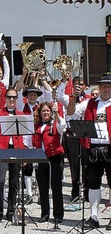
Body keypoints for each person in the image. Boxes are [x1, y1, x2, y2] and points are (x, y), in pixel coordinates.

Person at [66, 74, 111, 229]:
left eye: (108, 85)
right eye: (103, 85)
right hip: (93, 147)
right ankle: (94, 217)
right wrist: (74, 96)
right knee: (93, 183)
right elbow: (71, 113)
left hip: (110, 147)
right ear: (98, 87)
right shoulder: (89, 103)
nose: (106, 88)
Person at [0, 87, 31, 223]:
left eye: (14, 97)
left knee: (14, 183)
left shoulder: (21, 114)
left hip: (16, 149)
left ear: (17, 99)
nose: (11, 99)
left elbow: (26, 136)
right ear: (5, 98)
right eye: (9, 97)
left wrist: (25, 153)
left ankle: (11, 211)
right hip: (2, 149)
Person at [31, 102, 66, 224]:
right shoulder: (36, 126)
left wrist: (57, 114)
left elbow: (63, 125)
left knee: (56, 187)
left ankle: (58, 215)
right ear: (40, 113)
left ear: (51, 113)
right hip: (40, 158)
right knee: (43, 187)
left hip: (54, 158)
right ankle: (45, 213)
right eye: (43, 111)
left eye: (47, 111)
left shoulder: (55, 123)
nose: (45, 113)